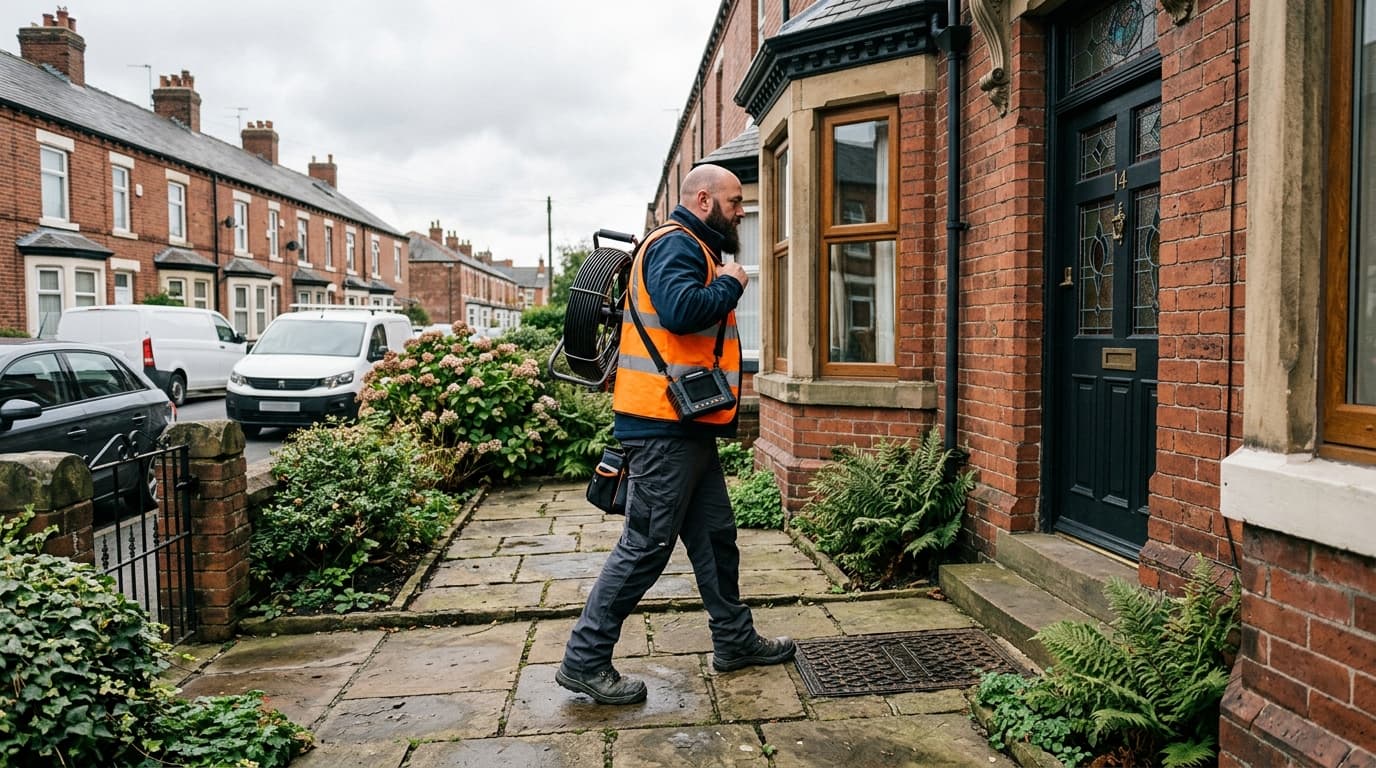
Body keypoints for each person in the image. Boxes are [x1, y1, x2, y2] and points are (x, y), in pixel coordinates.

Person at [556, 164, 795, 705]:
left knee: (714, 536)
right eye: (736, 202)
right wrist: (732, 284)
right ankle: (584, 659)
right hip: (662, 427)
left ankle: (733, 640)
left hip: (685, 424)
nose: (741, 212)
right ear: (704, 199)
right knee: (645, 545)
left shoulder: (692, 246)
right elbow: (682, 311)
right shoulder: (677, 245)